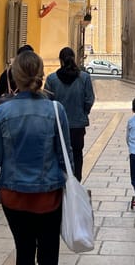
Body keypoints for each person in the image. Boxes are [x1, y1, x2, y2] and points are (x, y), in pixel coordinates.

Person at [0, 51, 72, 265]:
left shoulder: (2, 112)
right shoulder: (56, 110)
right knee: (49, 253)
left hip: (13, 196)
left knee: (24, 251)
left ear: (15, 77)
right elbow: (66, 158)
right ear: (42, 75)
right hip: (49, 195)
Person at [44, 47, 95, 181]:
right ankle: (76, 182)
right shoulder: (84, 78)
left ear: (60, 60)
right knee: (77, 154)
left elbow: (46, 103)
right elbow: (89, 99)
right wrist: (83, 112)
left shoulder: (51, 79)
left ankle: (61, 183)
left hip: (58, 126)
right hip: (77, 125)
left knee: (58, 154)